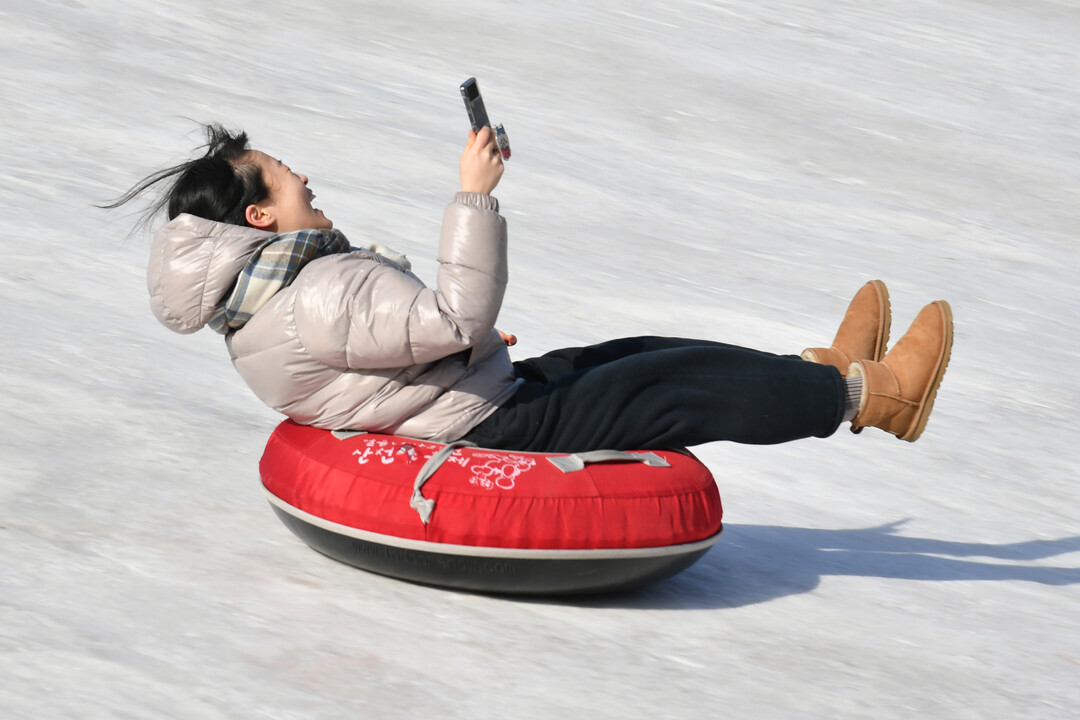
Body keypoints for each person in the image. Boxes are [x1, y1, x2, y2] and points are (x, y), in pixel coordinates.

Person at [107, 123, 953, 453]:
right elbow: (451, 312)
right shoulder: (312, 294)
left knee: (644, 353)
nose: (303, 177)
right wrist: (474, 192)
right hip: (489, 421)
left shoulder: (274, 300)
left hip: (470, 394)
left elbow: (392, 356)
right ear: (257, 216)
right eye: (282, 176)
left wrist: (458, 346)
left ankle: (822, 368)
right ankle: (873, 396)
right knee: (672, 391)